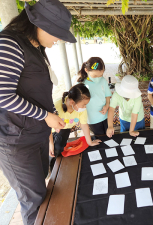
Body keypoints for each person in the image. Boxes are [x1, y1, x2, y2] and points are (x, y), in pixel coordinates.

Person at [0, 0, 75, 224]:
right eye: (57, 33)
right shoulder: (9, 44)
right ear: (40, 25)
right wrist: (45, 116)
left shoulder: (35, 46)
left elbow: (38, 93)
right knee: (33, 200)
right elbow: (3, 96)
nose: (59, 39)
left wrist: (52, 116)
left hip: (37, 135)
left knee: (41, 188)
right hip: (17, 142)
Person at [49, 84, 101, 169]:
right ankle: (51, 167)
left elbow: (84, 125)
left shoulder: (81, 110)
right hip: (49, 130)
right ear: (72, 102)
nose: (85, 107)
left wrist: (90, 142)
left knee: (58, 148)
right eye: (83, 105)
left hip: (65, 128)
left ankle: (55, 164)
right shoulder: (56, 106)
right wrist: (50, 143)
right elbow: (46, 127)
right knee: (51, 149)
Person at [78, 57, 112, 136]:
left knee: (109, 136)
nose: (98, 78)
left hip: (105, 115)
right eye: (95, 76)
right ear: (86, 70)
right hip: (92, 119)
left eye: (101, 75)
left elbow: (107, 95)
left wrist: (107, 105)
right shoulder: (82, 84)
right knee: (100, 137)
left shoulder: (102, 80)